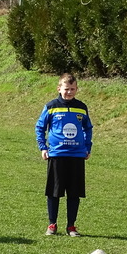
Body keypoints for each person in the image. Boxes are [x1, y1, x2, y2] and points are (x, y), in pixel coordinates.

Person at [35, 73, 93, 237]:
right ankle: (52, 224)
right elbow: (40, 127)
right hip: (57, 154)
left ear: (77, 89)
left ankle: (71, 226)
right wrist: (43, 147)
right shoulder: (51, 106)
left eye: (72, 89)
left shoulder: (81, 107)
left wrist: (87, 147)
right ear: (59, 88)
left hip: (76, 155)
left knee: (74, 193)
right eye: (66, 89)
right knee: (54, 192)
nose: (69, 92)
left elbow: (88, 128)